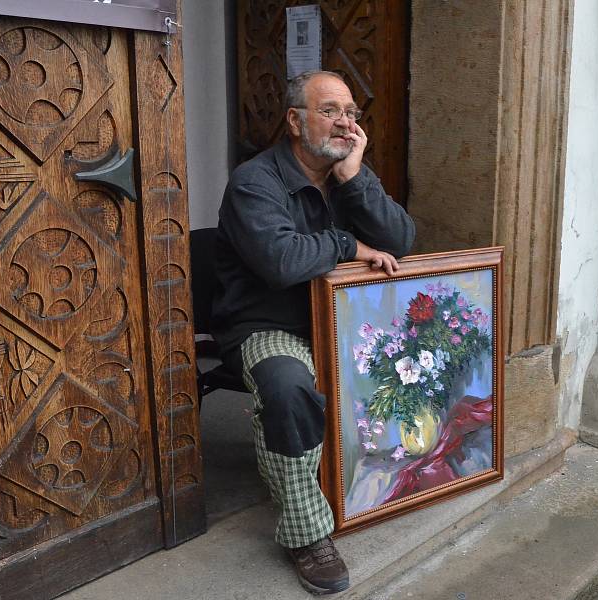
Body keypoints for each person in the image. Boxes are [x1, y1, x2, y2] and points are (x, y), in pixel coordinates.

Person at [211, 70, 415, 595]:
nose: (345, 122)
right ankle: (309, 534)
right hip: (269, 325)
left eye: (351, 112)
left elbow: (400, 239)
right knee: (288, 389)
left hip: (340, 319)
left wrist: (356, 176)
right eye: (330, 111)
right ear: (295, 121)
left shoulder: (345, 176)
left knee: (413, 366)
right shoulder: (254, 181)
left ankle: (375, 486)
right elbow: (280, 261)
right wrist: (349, 247)